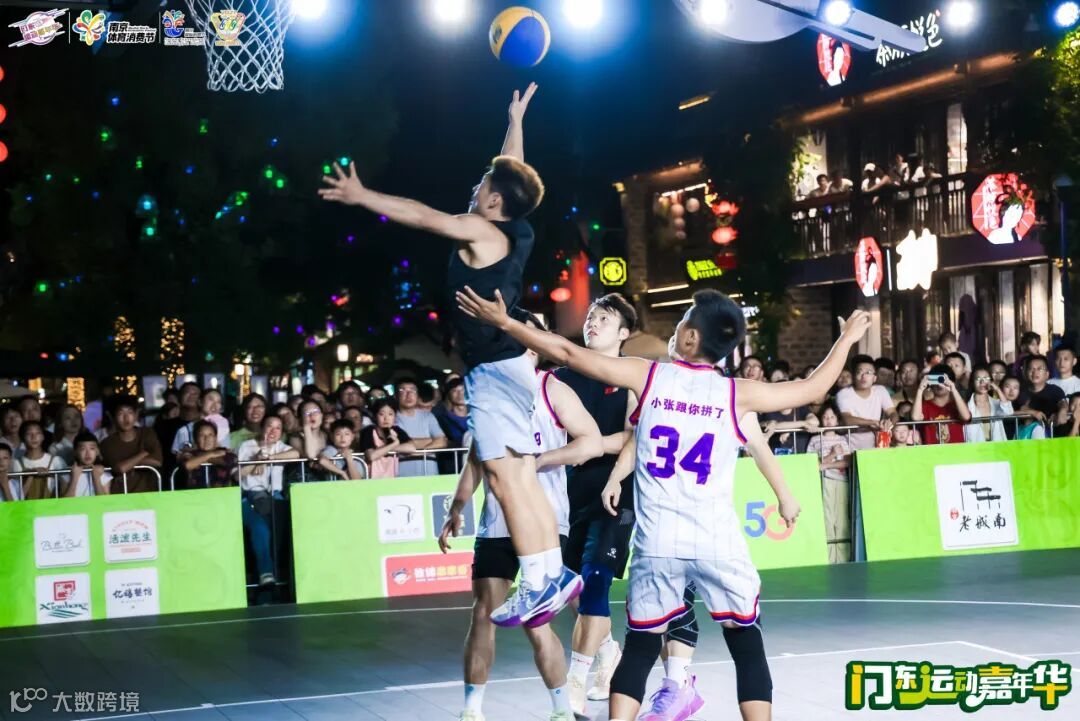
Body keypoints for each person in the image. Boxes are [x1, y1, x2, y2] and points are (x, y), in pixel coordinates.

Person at [457, 284, 871, 721]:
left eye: (681, 323)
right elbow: (812, 387)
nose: (674, 331)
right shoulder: (737, 393)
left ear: (691, 338)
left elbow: (567, 352)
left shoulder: (649, 376)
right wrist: (845, 339)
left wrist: (505, 323)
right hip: (717, 543)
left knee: (639, 647)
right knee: (746, 644)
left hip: (658, 545)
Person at [322, 82, 579, 626]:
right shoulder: (517, 227)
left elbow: (421, 215)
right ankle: (552, 572)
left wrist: (363, 196)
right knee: (517, 475)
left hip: (494, 369)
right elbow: (512, 172)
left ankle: (540, 579)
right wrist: (515, 122)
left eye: (482, 183)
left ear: (493, 201)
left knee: (506, 479)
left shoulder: (479, 228)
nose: (475, 186)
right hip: (511, 364)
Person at [439, 321, 603, 721]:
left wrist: (539, 460)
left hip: (545, 522)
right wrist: (457, 506)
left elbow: (592, 441)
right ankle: (471, 709)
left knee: (536, 622)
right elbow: (478, 456)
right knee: (483, 612)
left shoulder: (552, 389)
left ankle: (562, 709)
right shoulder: (491, 391)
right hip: (497, 521)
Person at [552, 295, 640, 714]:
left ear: (623, 332)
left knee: (596, 580)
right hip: (568, 491)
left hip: (615, 489)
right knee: (568, 585)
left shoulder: (633, 376)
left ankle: (576, 681)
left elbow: (632, 437)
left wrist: (588, 445)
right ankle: (607, 651)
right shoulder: (561, 377)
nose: (593, 323)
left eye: (603, 318)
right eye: (590, 317)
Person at [237, 415, 300, 586]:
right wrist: (256, 460)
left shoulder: (281, 447)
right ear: (261, 427)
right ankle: (266, 573)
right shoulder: (246, 446)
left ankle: (284, 576)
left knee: (284, 528)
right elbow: (237, 474)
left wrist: (269, 458)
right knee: (260, 529)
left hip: (275, 497)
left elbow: (296, 454)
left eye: (278, 428)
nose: (273, 431)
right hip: (249, 496)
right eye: (269, 426)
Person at [806, 402, 853, 564]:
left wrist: (826, 465)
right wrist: (832, 455)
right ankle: (830, 559)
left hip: (841, 481)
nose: (828, 420)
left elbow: (847, 461)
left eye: (832, 417)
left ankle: (843, 559)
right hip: (823, 481)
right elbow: (812, 464)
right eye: (825, 417)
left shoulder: (843, 439)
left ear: (837, 420)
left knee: (842, 520)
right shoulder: (815, 439)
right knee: (827, 519)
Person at [99, 396, 163, 494]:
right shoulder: (107, 444)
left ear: (136, 415)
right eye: (121, 413)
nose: (126, 418)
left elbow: (157, 461)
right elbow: (121, 468)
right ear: (113, 417)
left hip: (149, 494)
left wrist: (130, 463)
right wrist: (144, 453)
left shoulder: (147, 434)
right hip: (121, 495)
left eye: (130, 412)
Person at [835, 355, 898, 449]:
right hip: (849, 448)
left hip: (876, 446)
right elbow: (848, 419)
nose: (863, 376)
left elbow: (893, 413)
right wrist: (873, 422)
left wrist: (889, 423)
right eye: (859, 372)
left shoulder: (880, 390)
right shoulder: (844, 393)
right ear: (854, 376)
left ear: (874, 378)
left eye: (868, 372)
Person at [394, 379, 448, 477]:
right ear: (396, 396)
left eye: (413, 390)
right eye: (403, 390)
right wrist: (431, 441)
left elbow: (442, 441)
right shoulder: (392, 418)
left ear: (417, 395)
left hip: (429, 474)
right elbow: (399, 444)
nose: (409, 395)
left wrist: (415, 451)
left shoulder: (428, 416)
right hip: (402, 476)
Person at [358, 398, 419, 479]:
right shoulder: (368, 431)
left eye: (390, 414)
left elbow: (411, 448)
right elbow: (371, 456)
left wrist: (386, 449)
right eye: (381, 414)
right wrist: (394, 444)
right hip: (370, 480)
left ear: (395, 417)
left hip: (391, 480)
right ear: (375, 416)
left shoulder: (397, 430)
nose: (386, 418)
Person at [911, 366, 972, 445]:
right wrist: (920, 389)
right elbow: (915, 418)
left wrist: (953, 389)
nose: (939, 384)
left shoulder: (957, 404)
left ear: (952, 382)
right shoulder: (926, 406)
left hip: (957, 451)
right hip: (933, 452)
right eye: (936, 380)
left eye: (942, 380)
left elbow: (966, 417)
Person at [11, 420, 66, 500]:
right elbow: (16, 496)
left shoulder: (56, 461)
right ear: (22, 438)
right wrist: (31, 474)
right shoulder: (16, 463)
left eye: (38, 433)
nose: (34, 437)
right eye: (29, 434)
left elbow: (65, 487)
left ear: (43, 437)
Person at [179, 420, 238, 489]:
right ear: (196, 439)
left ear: (215, 438)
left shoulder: (224, 452)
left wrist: (199, 459)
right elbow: (187, 465)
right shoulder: (190, 454)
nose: (207, 439)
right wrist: (210, 454)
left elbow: (230, 461)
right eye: (202, 435)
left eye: (210, 435)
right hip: (196, 493)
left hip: (221, 494)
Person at [964, 365, 1013, 443]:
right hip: (976, 447)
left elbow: (1008, 412)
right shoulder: (967, 405)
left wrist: (997, 389)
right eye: (978, 379)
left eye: (986, 378)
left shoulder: (996, 403)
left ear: (991, 381)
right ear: (972, 382)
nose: (982, 382)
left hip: (996, 447)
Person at [171, 388, 230, 454]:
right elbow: (179, 456)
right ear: (200, 402)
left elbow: (226, 451)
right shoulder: (185, 430)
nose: (215, 404)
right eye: (211, 399)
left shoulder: (223, 427)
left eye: (219, 402)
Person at [1020, 355, 1066, 435]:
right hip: (1026, 437)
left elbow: (1062, 402)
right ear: (1026, 373)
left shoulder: (1055, 390)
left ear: (1047, 374)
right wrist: (1032, 412)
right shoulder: (1020, 391)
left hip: (1053, 436)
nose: (1035, 372)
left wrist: (1063, 410)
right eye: (1031, 368)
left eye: (1040, 369)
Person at [63, 432, 113, 497]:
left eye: (92, 448)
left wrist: (97, 478)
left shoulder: (104, 474)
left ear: (97, 451)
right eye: (82, 449)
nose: (88, 453)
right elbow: (64, 502)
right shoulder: (66, 474)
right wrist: (74, 478)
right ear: (75, 452)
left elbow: (105, 502)